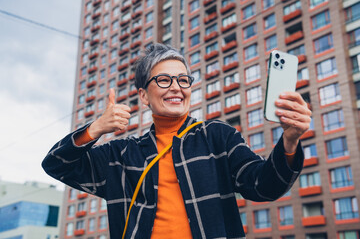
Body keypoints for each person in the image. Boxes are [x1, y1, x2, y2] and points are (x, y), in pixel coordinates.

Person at [42, 43, 312, 239]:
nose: (176, 87)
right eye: (164, 79)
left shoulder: (217, 136)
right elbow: (56, 164)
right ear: (144, 96)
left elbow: (263, 186)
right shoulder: (120, 154)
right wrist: (95, 129)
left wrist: (289, 141)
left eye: (183, 80)